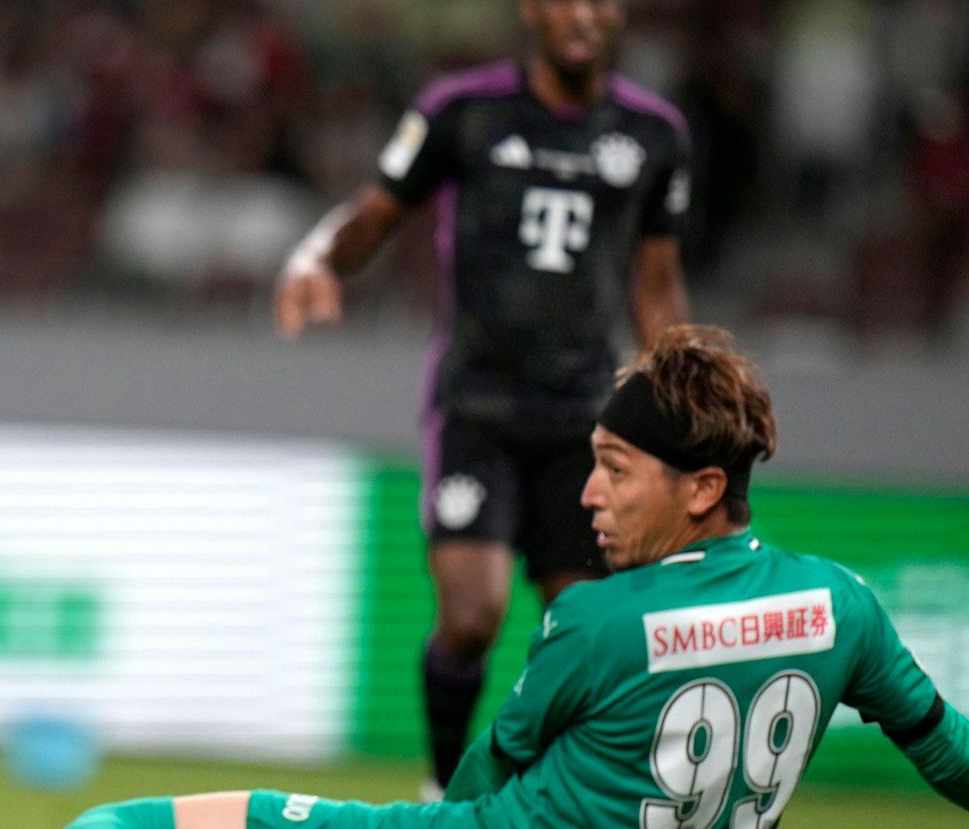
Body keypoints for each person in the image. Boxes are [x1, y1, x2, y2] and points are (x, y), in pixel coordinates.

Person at [68, 325, 969, 828]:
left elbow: (481, 785)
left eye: (617, 468)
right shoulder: (842, 605)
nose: (588, 494)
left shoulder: (601, 618)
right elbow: (945, 749)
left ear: (701, 488)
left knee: (119, 826)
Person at [273, 0, 690, 790]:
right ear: (530, 9)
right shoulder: (463, 112)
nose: (582, 13)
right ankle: (443, 792)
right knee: (472, 613)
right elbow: (379, 211)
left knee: (579, 626)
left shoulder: (655, 137)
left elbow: (656, 283)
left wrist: (678, 392)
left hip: (588, 417)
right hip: (477, 406)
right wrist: (317, 256)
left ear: (620, 14)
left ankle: (555, 796)